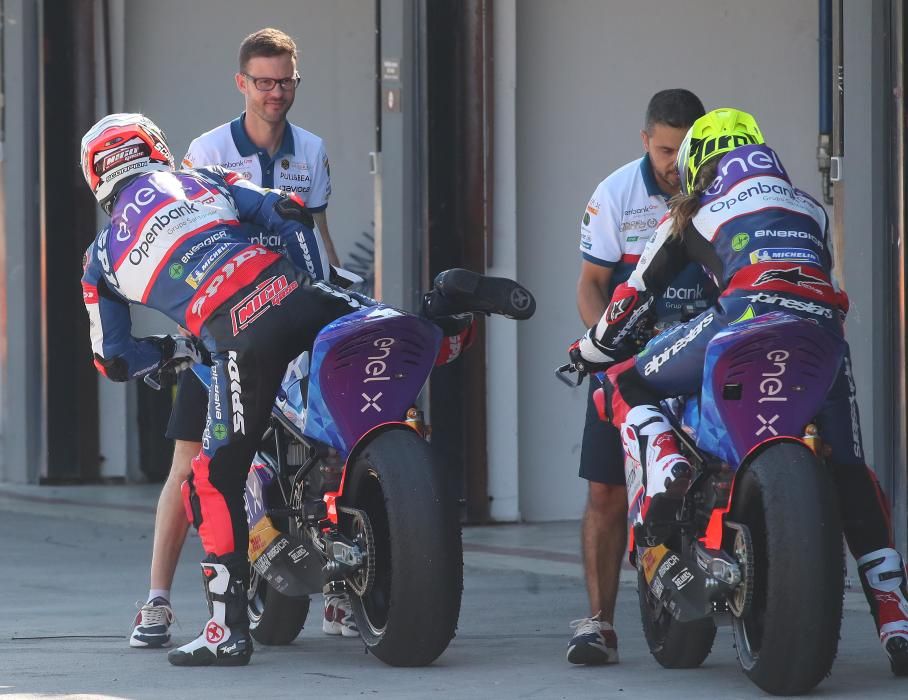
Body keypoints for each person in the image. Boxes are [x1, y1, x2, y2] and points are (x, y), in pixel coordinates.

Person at [81, 113, 527, 666]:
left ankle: (224, 631)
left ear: (96, 176)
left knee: (212, 478)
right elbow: (289, 210)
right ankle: (446, 315)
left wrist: (173, 349)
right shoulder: (201, 178)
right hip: (297, 291)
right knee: (391, 333)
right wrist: (314, 279)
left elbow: (113, 359)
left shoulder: (99, 257)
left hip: (235, 332)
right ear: (155, 149)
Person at [570, 107, 908, 676]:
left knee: (625, 381)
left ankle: (668, 462)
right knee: (850, 468)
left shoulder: (693, 210)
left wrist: (590, 349)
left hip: (739, 322)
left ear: (698, 162)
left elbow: (631, 297)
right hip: (821, 334)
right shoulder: (810, 206)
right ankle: (895, 616)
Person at [129, 27, 354, 649]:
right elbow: (186, 239)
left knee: (332, 443)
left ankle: (341, 585)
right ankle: (157, 601)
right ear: (242, 84)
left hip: (294, 310)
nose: (275, 92)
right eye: (263, 82)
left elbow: (319, 232)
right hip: (223, 324)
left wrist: (340, 291)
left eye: (285, 81)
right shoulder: (207, 149)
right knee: (187, 463)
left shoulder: (313, 150)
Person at [568, 89, 712, 665]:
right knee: (605, 490)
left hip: (706, 358)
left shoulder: (724, 189)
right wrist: (605, 351)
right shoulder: (615, 193)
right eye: (664, 151)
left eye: (684, 151)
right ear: (645, 140)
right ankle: (598, 624)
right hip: (630, 361)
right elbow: (590, 285)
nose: (675, 164)